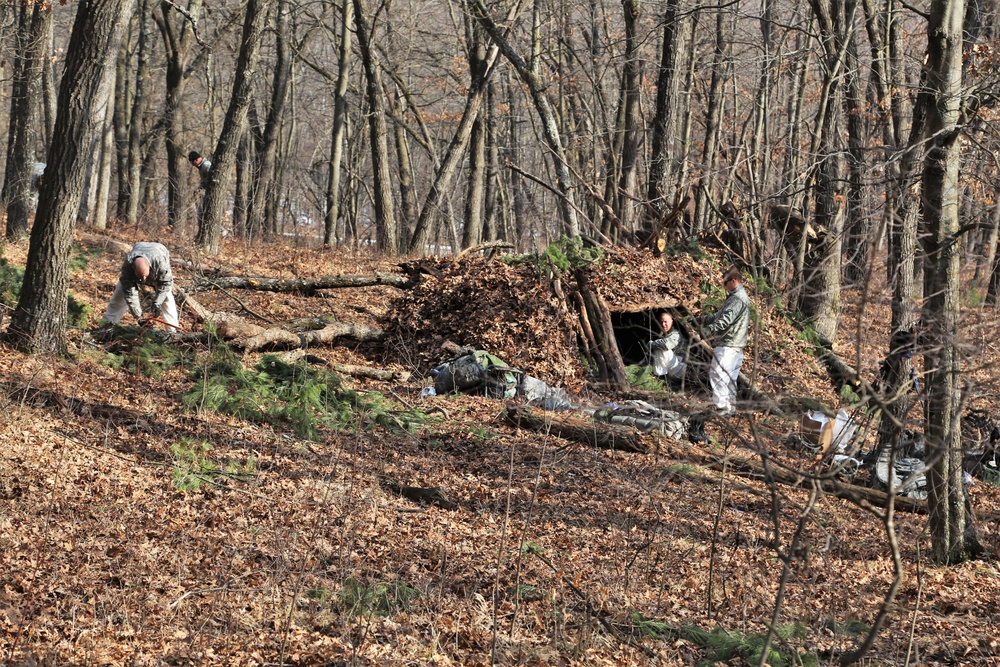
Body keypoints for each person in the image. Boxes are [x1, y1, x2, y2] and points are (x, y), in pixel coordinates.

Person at [701, 266, 750, 414]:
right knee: (729, 378)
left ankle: (722, 407)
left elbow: (724, 321)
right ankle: (730, 407)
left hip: (729, 344)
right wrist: (701, 320)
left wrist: (707, 330)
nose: (724, 286)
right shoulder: (736, 297)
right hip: (735, 346)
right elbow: (719, 316)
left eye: (725, 282)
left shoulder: (737, 299)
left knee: (717, 374)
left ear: (734, 281)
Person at [102, 242, 179, 328]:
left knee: (167, 299)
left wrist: (157, 303)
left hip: (159, 250)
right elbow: (130, 294)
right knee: (119, 295)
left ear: (149, 267)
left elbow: (166, 284)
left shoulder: (161, 264)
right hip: (140, 249)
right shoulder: (127, 267)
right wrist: (138, 317)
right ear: (133, 268)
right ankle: (106, 325)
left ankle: (173, 330)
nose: (143, 280)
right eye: (140, 277)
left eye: (145, 276)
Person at [649, 311, 687, 380]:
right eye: (661, 322)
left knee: (660, 347)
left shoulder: (675, 334)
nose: (663, 324)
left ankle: (659, 377)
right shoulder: (664, 334)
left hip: (680, 369)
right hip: (674, 367)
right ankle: (661, 376)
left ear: (672, 322)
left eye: (666, 322)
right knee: (658, 345)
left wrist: (651, 344)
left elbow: (666, 345)